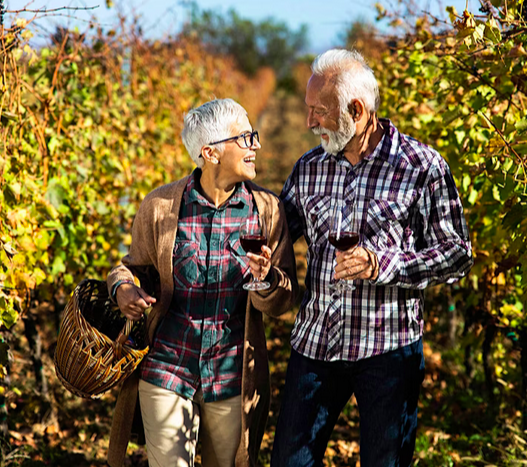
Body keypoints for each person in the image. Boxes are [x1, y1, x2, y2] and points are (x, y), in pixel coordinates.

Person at [271, 49, 473, 467]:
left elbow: (456, 253)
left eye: (318, 112)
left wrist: (384, 265)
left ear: (357, 111)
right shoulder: (309, 168)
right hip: (316, 344)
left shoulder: (422, 168)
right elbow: (279, 232)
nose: (309, 123)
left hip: (388, 349)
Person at [106, 98, 298, 467]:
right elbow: (130, 268)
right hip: (167, 366)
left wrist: (267, 278)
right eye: (244, 137)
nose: (255, 145)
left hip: (231, 374)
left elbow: (281, 302)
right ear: (210, 152)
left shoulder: (267, 211)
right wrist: (122, 289)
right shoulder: (160, 206)